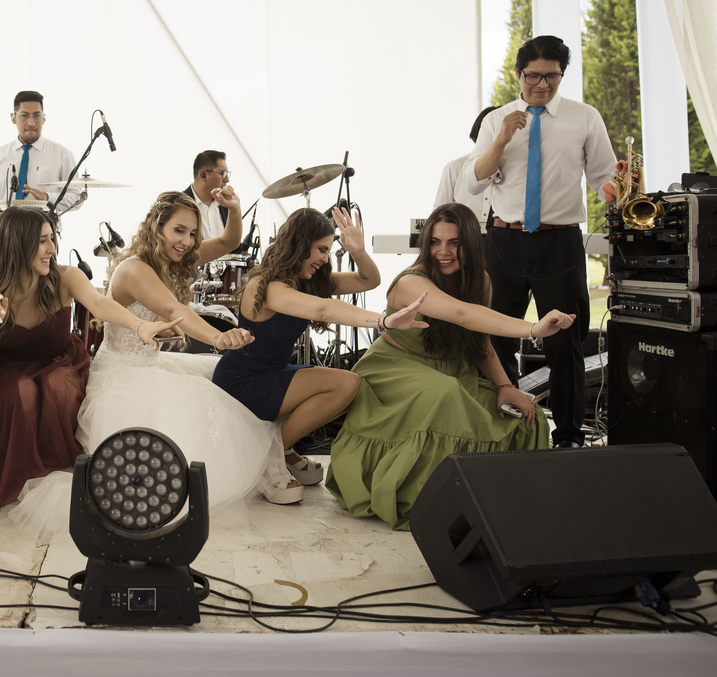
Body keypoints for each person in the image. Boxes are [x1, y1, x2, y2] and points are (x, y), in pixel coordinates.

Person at [326, 203, 573, 530]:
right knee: (445, 394)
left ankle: (489, 502)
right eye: (435, 242)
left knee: (528, 418)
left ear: (470, 244)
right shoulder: (411, 282)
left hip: (453, 371)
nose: (443, 251)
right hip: (396, 368)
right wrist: (532, 329)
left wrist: (505, 387)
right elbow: (461, 315)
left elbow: (479, 342)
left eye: (454, 243)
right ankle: (434, 503)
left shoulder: (480, 281)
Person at [77, 191, 304, 509]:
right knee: (211, 401)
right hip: (123, 374)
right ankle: (268, 465)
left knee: (228, 380)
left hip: (152, 363)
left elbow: (228, 242)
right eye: (179, 230)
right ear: (157, 229)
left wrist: (234, 210)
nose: (186, 241)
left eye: (193, 233)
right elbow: (173, 309)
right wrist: (219, 339)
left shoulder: (173, 257)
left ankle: (279, 454)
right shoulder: (134, 269)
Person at [0, 206, 179, 510]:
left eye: (52, 238)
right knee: (20, 391)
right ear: (16, 243)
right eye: (41, 241)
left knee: (58, 385)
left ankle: (63, 471)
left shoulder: (65, 276)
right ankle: (21, 478)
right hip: (14, 369)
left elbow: (99, 304)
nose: (52, 248)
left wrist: (139, 325)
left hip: (61, 362)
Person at [213, 206, 427, 500]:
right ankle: (270, 458)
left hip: (272, 374)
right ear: (300, 245)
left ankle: (282, 448)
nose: (326, 258)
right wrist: (384, 320)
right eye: (321, 249)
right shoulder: (263, 286)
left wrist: (359, 250)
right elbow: (323, 309)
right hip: (242, 380)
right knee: (346, 383)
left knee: (352, 386)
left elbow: (370, 280)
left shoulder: (310, 283)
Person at [465, 35, 617, 448]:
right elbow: (473, 182)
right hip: (504, 241)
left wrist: (612, 190)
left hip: (559, 243)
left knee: (565, 341)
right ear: (519, 74)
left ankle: (568, 435)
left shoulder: (583, 117)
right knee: (496, 336)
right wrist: (500, 140)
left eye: (552, 77)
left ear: (562, 75)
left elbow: (605, 174)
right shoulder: (499, 119)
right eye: (534, 76)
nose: (543, 85)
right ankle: (506, 428)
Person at [0, 90, 82, 214]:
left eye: (36, 116)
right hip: (7, 234)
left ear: (44, 118)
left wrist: (47, 197)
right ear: (13, 118)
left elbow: (76, 198)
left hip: (45, 233)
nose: (31, 122)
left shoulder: (62, 154)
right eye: (24, 115)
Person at [433, 107, 497, 223]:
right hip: (462, 237)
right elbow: (439, 213)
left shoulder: (515, 169)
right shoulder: (454, 168)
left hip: (502, 237)